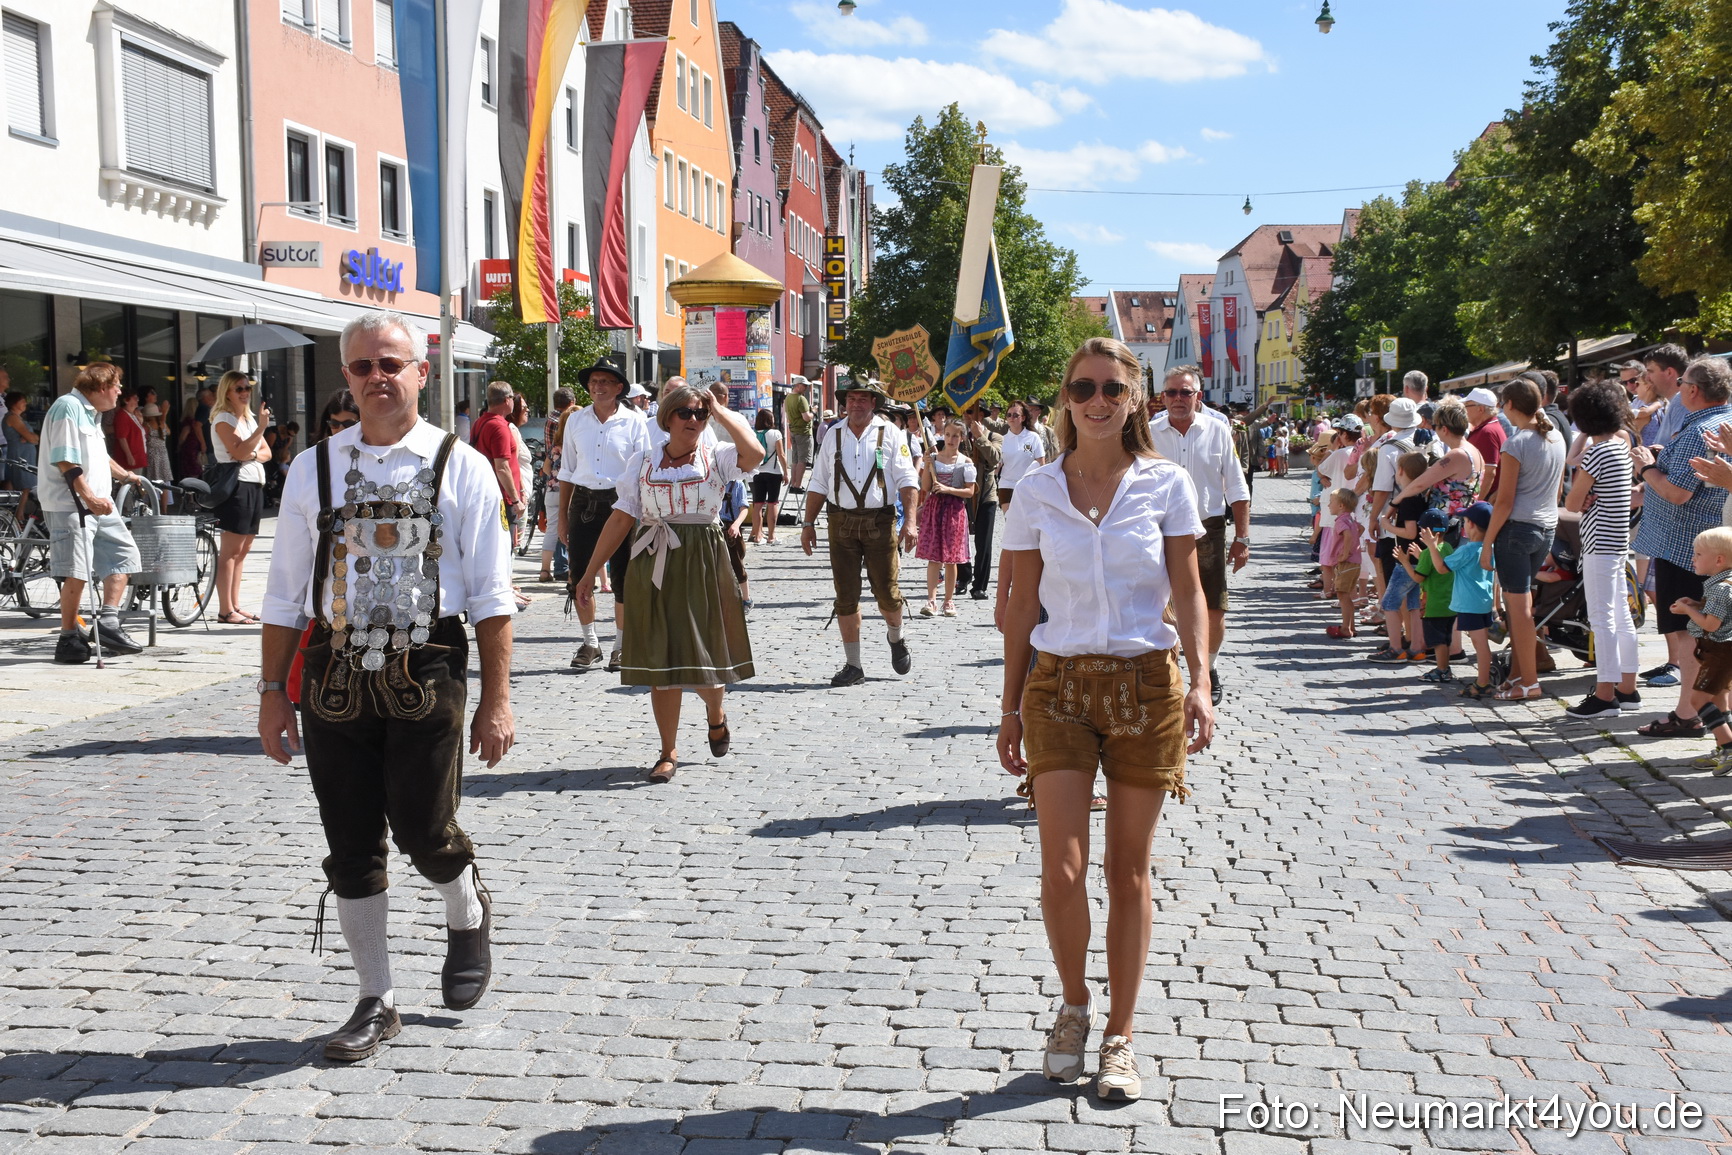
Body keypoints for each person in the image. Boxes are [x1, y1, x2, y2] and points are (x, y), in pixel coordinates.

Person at [258, 309, 514, 1063]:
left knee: (424, 828)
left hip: (427, 658)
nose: (379, 377)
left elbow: (495, 595)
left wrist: (497, 699)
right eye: (364, 366)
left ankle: (465, 906)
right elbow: (281, 593)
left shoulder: (458, 464)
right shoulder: (315, 467)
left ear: (422, 372)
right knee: (349, 839)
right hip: (333, 664)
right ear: (347, 376)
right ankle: (377, 998)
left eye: (392, 363)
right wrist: (274, 688)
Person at [995, 335, 1212, 1104]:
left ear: (1134, 398)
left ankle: (1121, 1033)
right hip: (1056, 685)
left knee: (1127, 869)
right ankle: (1074, 1006)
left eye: (1111, 390)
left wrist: (1202, 681)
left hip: (1146, 685)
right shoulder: (1036, 488)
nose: (1095, 401)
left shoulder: (1167, 484)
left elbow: (1189, 591)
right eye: (1082, 388)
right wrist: (1008, 704)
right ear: (1064, 398)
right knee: (1061, 866)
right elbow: (1020, 605)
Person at [574, 381, 763, 783]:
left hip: (703, 560)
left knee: (703, 659)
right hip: (653, 559)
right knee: (661, 661)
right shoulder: (642, 462)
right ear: (667, 418)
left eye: (700, 414)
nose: (694, 420)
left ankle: (716, 714)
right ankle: (668, 751)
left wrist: (720, 410)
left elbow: (756, 453)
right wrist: (590, 572)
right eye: (686, 413)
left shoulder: (717, 457)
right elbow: (622, 517)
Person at [1631, 356, 1732, 737]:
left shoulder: (1699, 429)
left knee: (1691, 636)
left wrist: (1645, 466)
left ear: (1692, 389)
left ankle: (1690, 715)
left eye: (1682, 383)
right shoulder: (1721, 422)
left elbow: (1677, 493)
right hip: (1705, 547)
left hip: (1686, 549)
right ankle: (1712, 719)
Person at [800, 380, 919, 686]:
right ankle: (854, 666)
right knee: (845, 595)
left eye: (862, 398)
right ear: (845, 402)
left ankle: (896, 636)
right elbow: (819, 482)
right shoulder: (833, 435)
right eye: (851, 398)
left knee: (887, 593)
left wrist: (911, 522)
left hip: (880, 521)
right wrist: (808, 523)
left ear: (873, 402)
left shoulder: (891, 433)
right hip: (840, 522)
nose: (856, 404)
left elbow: (908, 479)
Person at [1149, 365, 1250, 705]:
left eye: (1185, 392)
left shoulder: (1218, 430)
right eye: (1172, 393)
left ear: (1198, 396)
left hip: (1208, 529)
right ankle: (1170, 670)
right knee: (1161, 604)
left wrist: (1243, 538)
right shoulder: (1148, 433)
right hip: (1160, 529)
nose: (1178, 399)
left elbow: (1236, 486)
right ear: (1162, 397)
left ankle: (1208, 668)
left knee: (1213, 608)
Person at [41, 362, 147, 664]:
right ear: (101, 387)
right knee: (77, 570)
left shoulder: (91, 413)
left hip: (99, 503)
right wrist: (88, 497)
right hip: (72, 505)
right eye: (117, 386)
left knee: (124, 554)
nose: (120, 392)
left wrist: (126, 475)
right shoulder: (68, 407)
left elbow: (98, 456)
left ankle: (108, 622)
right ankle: (68, 638)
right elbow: (64, 460)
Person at [1477, 377, 1567, 701]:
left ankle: (1529, 682)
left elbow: (1505, 499)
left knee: (1519, 611)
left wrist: (1486, 543)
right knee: (1522, 607)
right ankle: (1518, 675)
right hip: (1545, 527)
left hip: (1517, 529)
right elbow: (1556, 490)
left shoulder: (1516, 443)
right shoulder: (1554, 436)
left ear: (1510, 405)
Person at [559, 356, 650, 672]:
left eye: (605, 382)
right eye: (594, 381)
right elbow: (568, 471)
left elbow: (643, 470)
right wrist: (561, 517)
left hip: (621, 502)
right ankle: (591, 642)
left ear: (619, 388)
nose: (598, 387)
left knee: (623, 576)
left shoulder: (635, 422)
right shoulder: (576, 420)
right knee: (579, 574)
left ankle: (621, 646)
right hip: (583, 502)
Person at [1563, 378, 1641, 720]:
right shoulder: (1619, 446)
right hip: (1618, 539)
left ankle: (1605, 695)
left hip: (1599, 541)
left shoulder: (1596, 452)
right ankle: (1627, 688)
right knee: (1620, 617)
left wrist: (1582, 498)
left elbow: (1573, 499)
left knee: (1602, 617)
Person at [210, 370, 273, 625]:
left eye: (247, 388)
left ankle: (235, 604)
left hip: (253, 483)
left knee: (244, 549)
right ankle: (225, 609)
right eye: (239, 389)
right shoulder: (224, 419)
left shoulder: (245, 420)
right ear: (227, 392)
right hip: (236, 486)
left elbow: (267, 453)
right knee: (231, 550)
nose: (245, 393)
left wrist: (252, 450)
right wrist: (261, 429)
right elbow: (238, 452)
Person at [1669, 528, 1732, 773]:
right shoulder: (1724, 584)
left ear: (1719, 560)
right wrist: (1695, 604)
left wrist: (1688, 612)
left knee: (1698, 699)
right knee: (1719, 699)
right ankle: (1721, 747)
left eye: (1698, 554)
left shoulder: (1719, 588)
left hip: (1720, 652)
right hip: (1722, 650)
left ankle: (1728, 747)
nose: (1692, 558)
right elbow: (1720, 613)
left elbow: (1710, 624)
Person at [1430, 502, 1498, 699]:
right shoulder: (1489, 548)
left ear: (1472, 525)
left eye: (1465, 521)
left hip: (1471, 604)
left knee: (1480, 645)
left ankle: (1483, 683)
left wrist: (1432, 546)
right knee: (1481, 643)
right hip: (1482, 601)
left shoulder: (1467, 550)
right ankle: (1483, 679)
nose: (1464, 525)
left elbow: (1442, 568)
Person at [916, 412, 977, 617]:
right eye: (948, 435)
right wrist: (927, 467)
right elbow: (925, 487)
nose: (951, 440)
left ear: (962, 438)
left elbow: (970, 491)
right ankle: (931, 600)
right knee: (934, 557)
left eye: (956, 436)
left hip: (954, 510)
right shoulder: (933, 459)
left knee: (952, 559)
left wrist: (948, 489)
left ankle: (948, 600)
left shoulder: (965, 462)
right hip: (935, 508)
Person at [1369, 453, 1429, 662]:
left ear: (1401, 471)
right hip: (1416, 558)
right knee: (1412, 605)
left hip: (1406, 559)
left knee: (1390, 603)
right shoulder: (1419, 495)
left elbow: (1411, 532)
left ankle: (1396, 648)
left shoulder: (1409, 500)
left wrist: (1388, 526)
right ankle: (1417, 646)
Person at [1392, 397, 1483, 515]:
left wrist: (1394, 503)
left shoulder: (1457, 454)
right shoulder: (1474, 451)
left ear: (1444, 429)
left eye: (1435, 426)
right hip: (1463, 519)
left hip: (1448, 525)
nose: (1433, 430)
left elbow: (1420, 484)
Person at [470, 382, 525, 550]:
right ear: (507, 400)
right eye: (513, 398)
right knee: (504, 550)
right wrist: (515, 499)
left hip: (489, 494)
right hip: (502, 498)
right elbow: (502, 467)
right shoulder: (499, 426)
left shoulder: (480, 422)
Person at [956, 405, 1002, 600]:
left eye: (973, 413)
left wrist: (980, 437)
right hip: (963, 494)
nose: (969, 417)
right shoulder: (959, 436)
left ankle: (980, 585)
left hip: (986, 494)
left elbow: (995, 459)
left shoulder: (994, 436)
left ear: (982, 416)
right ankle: (963, 576)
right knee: (959, 539)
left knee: (984, 542)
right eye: (966, 413)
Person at [1408, 509, 1457, 682]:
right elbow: (1438, 566)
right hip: (1448, 602)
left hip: (1433, 604)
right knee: (1445, 638)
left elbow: (1417, 577)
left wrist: (1405, 562)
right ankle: (1445, 668)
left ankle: (1442, 670)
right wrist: (1421, 556)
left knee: (1438, 641)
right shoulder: (1448, 546)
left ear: (1428, 532)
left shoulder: (1429, 553)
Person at [540, 387, 577, 582]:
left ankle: (544, 570)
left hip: (552, 488)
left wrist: (554, 476)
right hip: (570, 491)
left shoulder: (555, 446)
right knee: (571, 533)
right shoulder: (575, 447)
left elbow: (546, 468)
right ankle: (571, 572)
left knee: (552, 530)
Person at [1321, 487, 1362, 640]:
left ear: (1341, 506)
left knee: (1342, 595)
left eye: (1331, 502)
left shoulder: (1341, 521)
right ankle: (1351, 626)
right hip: (1355, 562)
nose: (1328, 505)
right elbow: (1360, 529)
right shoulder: (1351, 518)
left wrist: (1345, 552)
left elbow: (1347, 534)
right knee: (1347, 596)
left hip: (1346, 563)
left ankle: (1345, 628)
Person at [996, 401, 1046, 507]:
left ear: (1023, 418)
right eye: (1009, 415)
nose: (1011, 418)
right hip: (1006, 485)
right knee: (1009, 520)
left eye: (1015, 415)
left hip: (1028, 487)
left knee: (1025, 522)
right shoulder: (1002, 439)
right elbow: (998, 465)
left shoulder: (1033, 437)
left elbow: (1041, 463)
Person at [748, 408, 787, 544]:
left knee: (757, 505)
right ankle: (771, 536)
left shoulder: (752, 434)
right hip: (773, 472)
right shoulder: (775, 433)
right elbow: (781, 455)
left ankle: (757, 536)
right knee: (772, 503)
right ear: (770, 420)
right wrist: (786, 473)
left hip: (757, 472)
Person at [1462, 387, 1506, 499]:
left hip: (1485, 499)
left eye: (1467, 406)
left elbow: (1490, 472)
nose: (1464, 410)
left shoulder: (1488, 432)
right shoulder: (1488, 428)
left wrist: (1477, 503)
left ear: (1480, 409)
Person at [784, 376, 814, 493]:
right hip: (803, 432)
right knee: (803, 460)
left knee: (795, 460)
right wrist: (813, 413)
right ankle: (797, 485)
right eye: (804, 385)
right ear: (798, 385)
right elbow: (806, 417)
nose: (806, 388)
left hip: (793, 431)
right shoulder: (801, 399)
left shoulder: (788, 398)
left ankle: (793, 483)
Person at [110, 384, 148, 477]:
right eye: (135, 398)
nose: (137, 400)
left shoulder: (133, 415)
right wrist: (129, 456)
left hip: (138, 456)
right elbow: (122, 437)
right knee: (132, 486)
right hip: (131, 459)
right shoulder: (122, 415)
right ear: (126, 400)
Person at [5, 391, 39, 491]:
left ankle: (17, 506)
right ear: (14, 403)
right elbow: (32, 438)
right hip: (20, 455)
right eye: (22, 401)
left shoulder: (18, 418)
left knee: (24, 486)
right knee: (24, 486)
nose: (25, 403)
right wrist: (32, 437)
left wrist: (33, 437)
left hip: (23, 454)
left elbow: (34, 438)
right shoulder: (12, 418)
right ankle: (19, 507)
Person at [177, 387, 210, 479]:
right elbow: (185, 434)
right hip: (194, 448)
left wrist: (179, 445)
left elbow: (183, 436)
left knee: (191, 471)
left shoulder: (188, 421)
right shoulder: (192, 421)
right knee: (196, 469)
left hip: (190, 448)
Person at [141, 401, 172, 485]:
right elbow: (168, 432)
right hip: (163, 455)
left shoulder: (146, 425)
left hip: (152, 455)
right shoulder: (163, 424)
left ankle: (154, 498)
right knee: (164, 482)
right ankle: (165, 498)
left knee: (153, 481)